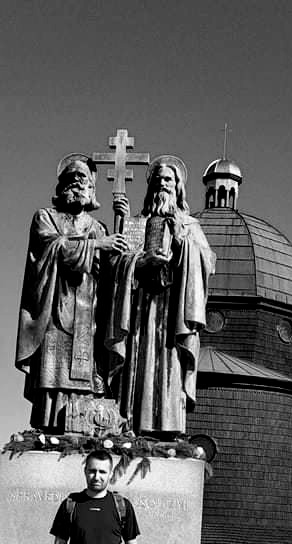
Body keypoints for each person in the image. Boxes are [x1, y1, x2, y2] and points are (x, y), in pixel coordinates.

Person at [15, 155, 131, 432]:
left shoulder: (98, 227)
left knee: (87, 369)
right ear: (62, 185)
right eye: (72, 178)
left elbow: (110, 274)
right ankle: (50, 427)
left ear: (92, 188)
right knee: (54, 368)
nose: (78, 184)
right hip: (55, 304)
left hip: (88, 310)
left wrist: (123, 225)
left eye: (84, 180)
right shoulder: (46, 217)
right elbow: (53, 247)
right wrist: (97, 245)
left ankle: (82, 425)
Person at [107, 156, 215, 435]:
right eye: (158, 179)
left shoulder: (189, 224)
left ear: (178, 186)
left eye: (168, 179)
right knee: (137, 362)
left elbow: (207, 262)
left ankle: (165, 428)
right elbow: (116, 263)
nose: (162, 184)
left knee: (168, 364)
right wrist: (140, 262)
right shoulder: (137, 223)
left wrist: (181, 241)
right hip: (139, 306)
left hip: (172, 309)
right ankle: (129, 424)